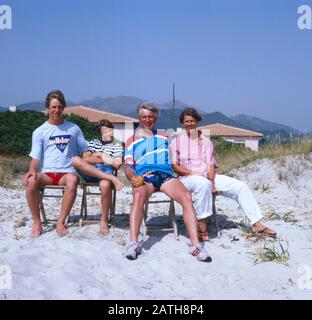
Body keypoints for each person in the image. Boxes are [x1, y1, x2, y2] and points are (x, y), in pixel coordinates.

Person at [170, 107, 277, 240]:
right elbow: (175, 167)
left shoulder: (207, 142)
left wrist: (212, 183)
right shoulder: (176, 142)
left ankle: (256, 223)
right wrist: (193, 173)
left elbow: (211, 165)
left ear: (197, 121)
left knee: (240, 186)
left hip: (207, 177)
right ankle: (201, 225)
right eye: (186, 121)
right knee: (202, 183)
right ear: (182, 123)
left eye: (192, 121)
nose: (189, 124)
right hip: (187, 178)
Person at [123, 102, 212, 262]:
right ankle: (133, 243)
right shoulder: (132, 140)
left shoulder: (165, 136)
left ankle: (195, 245)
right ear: (139, 118)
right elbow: (128, 167)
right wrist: (132, 177)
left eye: (151, 117)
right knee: (138, 196)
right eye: (144, 117)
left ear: (156, 117)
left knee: (186, 197)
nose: (147, 120)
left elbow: (180, 153)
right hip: (146, 175)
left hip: (165, 176)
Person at [71, 119, 124, 236]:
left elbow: (117, 164)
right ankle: (112, 179)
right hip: (91, 171)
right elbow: (86, 159)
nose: (108, 133)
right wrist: (107, 159)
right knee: (75, 160)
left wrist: (100, 154)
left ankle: (104, 220)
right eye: (104, 131)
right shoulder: (94, 142)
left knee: (105, 185)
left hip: (106, 170)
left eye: (110, 130)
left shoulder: (118, 144)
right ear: (100, 133)